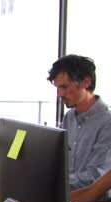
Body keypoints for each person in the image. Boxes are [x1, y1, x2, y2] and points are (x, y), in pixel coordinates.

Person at [47, 54, 111, 190]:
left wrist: (56, 182)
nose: (60, 94)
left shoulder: (107, 123)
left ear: (86, 82)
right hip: (68, 198)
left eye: (64, 87)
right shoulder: (69, 117)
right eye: (58, 88)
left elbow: (96, 176)